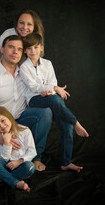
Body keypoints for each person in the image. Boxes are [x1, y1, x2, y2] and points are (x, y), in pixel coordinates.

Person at [0, 34, 52, 171]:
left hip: (21, 119)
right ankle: (3, 150)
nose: (15, 52)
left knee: (45, 112)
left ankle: (36, 157)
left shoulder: (25, 71)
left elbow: (41, 87)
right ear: (2, 49)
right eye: (11, 47)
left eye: (20, 49)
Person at [19, 33, 89, 172]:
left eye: (36, 47)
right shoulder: (24, 67)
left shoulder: (48, 64)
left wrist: (50, 90)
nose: (33, 51)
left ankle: (66, 162)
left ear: (41, 48)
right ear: (25, 51)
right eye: (29, 48)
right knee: (56, 99)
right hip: (34, 100)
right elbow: (33, 87)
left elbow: (52, 82)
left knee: (66, 125)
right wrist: (53, 90)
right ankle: (76, 123)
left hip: (49, 98)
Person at [0, 9, 44, 100]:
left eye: (29, 24)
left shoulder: (35, 40)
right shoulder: (9, 34)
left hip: (22, 80)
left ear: (34, 27)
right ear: (16, 24)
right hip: (2, 75)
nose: (25, 27)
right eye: (21, 23)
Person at [0, 106, 36, 192]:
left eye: (3, 120)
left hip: (21, 164)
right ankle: (16, 182)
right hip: (7, 165)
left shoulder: (25, 131)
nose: (2, 126)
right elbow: (4, 158)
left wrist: (18, 162)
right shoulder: (1, 137)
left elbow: (32, 151)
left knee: (30, 167)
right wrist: (6, 143)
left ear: (9, 117)